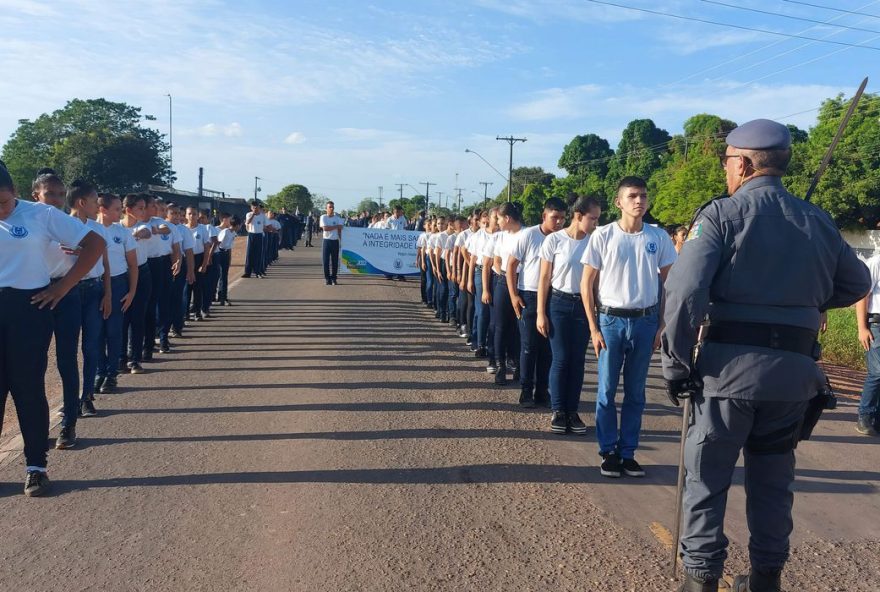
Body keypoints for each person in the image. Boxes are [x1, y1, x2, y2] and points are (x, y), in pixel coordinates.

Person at [661, 119, 870, 592]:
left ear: (745, 164)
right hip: (793, 377)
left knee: (706, 480)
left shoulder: (720, 215)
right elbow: (857, 284)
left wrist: (675, 366)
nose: (725, 172)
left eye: (728, 163)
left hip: (726, 375)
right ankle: (765, 580)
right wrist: (800, 302)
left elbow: (684, 292)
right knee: (774, 484)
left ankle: (700, 581)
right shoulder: (816, 219)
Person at [0, 162, 105, 496]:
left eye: (2, 202)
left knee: (27, 388)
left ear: (15, 192)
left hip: (28, 310)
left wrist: (63, 288)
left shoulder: (40, 215)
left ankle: (35, 467)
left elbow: (95, 244)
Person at [581, 176, 677, 479]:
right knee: (607, 391)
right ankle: (608, 451)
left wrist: (662, 324)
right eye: (633, 196)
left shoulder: (659, 237)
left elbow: (668, 284)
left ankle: (628, 452)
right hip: (610, 321)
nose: (639, 201)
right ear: (619, 202)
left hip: (645, 321)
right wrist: (594, 328)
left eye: (644, 196)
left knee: (636, 392)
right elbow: (587, 284)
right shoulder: (603, 235)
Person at [537, 196, 601, 432]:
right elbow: (544, 278)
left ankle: (572, 412)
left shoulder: (594, 243)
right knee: (561, 359)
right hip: (559, 304)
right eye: (592, 218)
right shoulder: (554, 240)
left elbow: (595, 283)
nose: (595, 223)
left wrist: (597, 313)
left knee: (578, 361)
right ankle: (558, 410)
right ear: (578, 216)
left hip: (584, 307)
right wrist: (540, 313)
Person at [507, 197, 566, 408]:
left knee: (547, 349)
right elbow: (511, 266)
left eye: (561, 218)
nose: (558, 222)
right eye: (554, 217)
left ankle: (542, 390)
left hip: (554, 297)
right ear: (544, 216)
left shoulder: (562, 238)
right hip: (529, 296)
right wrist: (514, 296)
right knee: (529, 347)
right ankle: (526, 390)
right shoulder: (528, 235)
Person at [65, 181, 112, 423]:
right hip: (69, 291)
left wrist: (108, 293)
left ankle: (87, 396)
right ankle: (69, 399)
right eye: (95, 201)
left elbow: (105, 264)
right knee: (68, 349)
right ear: (82, 203)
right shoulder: (60, 226)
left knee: (92, 345)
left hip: (94, 290)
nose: (98, 206)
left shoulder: (97, 229)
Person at [95, 193, 138, 395]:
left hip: (118, 284)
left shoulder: (123, 233)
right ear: (102, 209)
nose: (120, 212)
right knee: (95, 334)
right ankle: (99, 372)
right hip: (95, 284)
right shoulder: (88, 229)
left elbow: (132, 265)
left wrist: (131, 292)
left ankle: (111, 375)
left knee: (113, 332)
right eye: (116, 209)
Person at [119, 194, 153, 374]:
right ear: (129, 210)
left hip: (141, 273)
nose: (144, 211)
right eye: (140, 208)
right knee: (122, 318)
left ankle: (135, 359)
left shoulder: (143, 226)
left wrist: (138, 233)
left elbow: (147, 232)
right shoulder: (117, 228)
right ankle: (120, 357)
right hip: (121, 275)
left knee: (137, 317)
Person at [491, 203, 524, 386]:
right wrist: (502, 274)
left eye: (498, 219)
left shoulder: (527, 234)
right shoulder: (501, 237)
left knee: (520, 327)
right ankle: (500, 366)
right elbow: (496, 260)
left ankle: (520, 365)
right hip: (503, 280)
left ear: (507, 218)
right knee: (501, 326)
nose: (497, 222)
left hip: (523, 282)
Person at [215, 213, 240, 306]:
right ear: (237, 225)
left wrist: (229, 258)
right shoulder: (225, 231)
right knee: (218, 275)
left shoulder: (233, 233)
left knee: (224, 276)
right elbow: (217, 243)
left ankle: (223, 297)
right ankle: (217, 296)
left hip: (225, 253)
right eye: (239, 225)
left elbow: (229, 247)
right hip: (219, 253)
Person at [319, 201, 344, 285]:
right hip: (326, 241)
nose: (331, 208)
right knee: (325, 261)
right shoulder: (323, 217)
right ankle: (327, 278)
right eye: (329, 207)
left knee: (335, 261)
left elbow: (340, 231)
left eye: (332, 207)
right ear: (326, 208)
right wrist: (336, 226)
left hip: (335, 241)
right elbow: (325, 228)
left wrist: (342, 241)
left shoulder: (337, 218)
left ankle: (334, 278)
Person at [243, 200, 266, 278]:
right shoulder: (249, 214)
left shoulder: (263, 216)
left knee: (258, 254)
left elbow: (265, 225)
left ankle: (257, 272)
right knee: (249, 254)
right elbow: (247, 222)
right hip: (251, 235)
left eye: (256, 207)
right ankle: (247, 272)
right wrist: (253, 215)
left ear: (259, 207)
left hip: (259, 235)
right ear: (251, 208)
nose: (255, 209)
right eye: (253, 207)